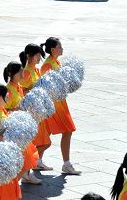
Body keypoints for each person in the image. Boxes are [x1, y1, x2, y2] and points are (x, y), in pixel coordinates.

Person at [40, 37, 81, 175]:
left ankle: (37, 160)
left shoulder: (55, 62)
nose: (62, 49)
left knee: (48, 133)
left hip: (60, 102)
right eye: (60, 46)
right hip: (54, 104)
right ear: (52, 49)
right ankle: (66, 164)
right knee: (67, 130)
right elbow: (46, 86)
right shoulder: (47, 65)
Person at [20, 43, 52, 171]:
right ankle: (29, 165)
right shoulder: (26, 73)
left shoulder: (37, 70)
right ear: (29, 56)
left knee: (45, 142)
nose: (39, 57)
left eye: (40, 54)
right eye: (36, 55)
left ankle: (36, 161)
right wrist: (34, 91)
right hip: (31, 113)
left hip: (38, 111)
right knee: (37, 143)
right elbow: (22, 92)